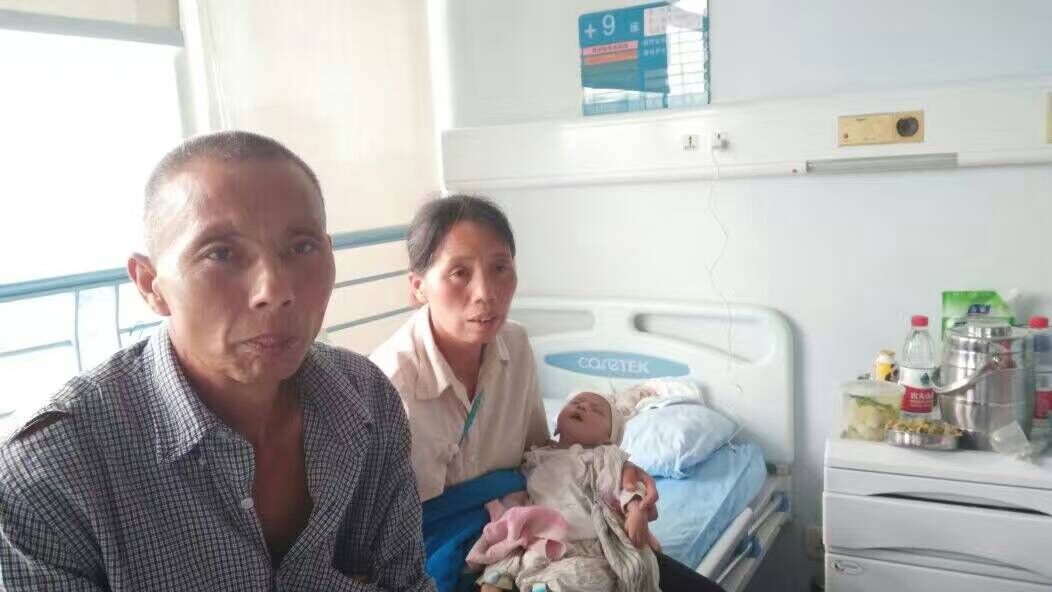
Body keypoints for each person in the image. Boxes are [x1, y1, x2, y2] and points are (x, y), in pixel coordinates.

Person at [0, 131, 434, 591]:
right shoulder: (51, 474)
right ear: (150, 285)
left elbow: (406, 582)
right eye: (221, 254)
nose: (275, 291)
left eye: (301, 247)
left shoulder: (367, 399)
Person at [370, 195, 723, 591]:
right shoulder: (386, 386)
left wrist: (613, 478)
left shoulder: (515, 346)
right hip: (438, 558)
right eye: (459, 273)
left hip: (531, 532)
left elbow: (538, 455)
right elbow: (374, 538)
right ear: (418, 287)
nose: (486, 292)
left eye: (500, 268)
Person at [471, 391, 660, 592]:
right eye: (576, 402)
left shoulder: (602, 457)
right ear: (557, 424)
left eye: (595, 410)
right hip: (538, 539)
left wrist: (635, 509)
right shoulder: (535, 456)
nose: (582, 406)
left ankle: (544, 586)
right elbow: (518, 492)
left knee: (585, 575)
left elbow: (623, 485)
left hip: (586, 542)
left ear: (608, 439)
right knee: (508, 564)